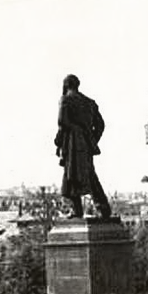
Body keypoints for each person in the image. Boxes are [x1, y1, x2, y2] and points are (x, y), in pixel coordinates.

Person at [53, 74, 112, 219]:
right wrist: (91, 140)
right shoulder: (89, 102)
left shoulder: (66, 99)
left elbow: (62, 122)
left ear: (66, 85)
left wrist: (58, 141)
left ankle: (79, 210)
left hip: (72, 144)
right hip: (85, 144)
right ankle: (102, 208)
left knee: (71, 176)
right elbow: (100, 125)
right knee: (89, 175)